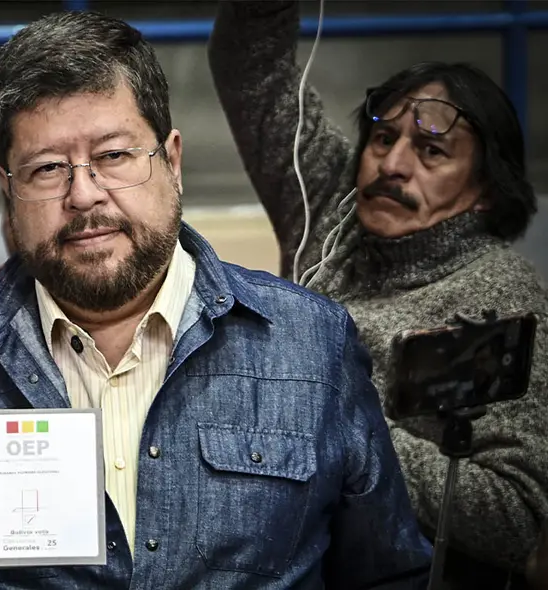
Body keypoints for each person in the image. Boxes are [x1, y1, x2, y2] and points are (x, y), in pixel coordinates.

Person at [0, 10, 432, 589]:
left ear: (172, 161)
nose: (84, 195)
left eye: (114, 156)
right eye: (47, 169)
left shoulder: (310, 342)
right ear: (8, 189)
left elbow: (388, 570)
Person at [208, 1, 548, 588]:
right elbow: (249, 63)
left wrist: (337, 423)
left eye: (432, 152)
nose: (392, 164)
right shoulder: (331, 210)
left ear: (486, 191)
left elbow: (513, 517)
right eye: (382, 138)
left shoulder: (502, 300)